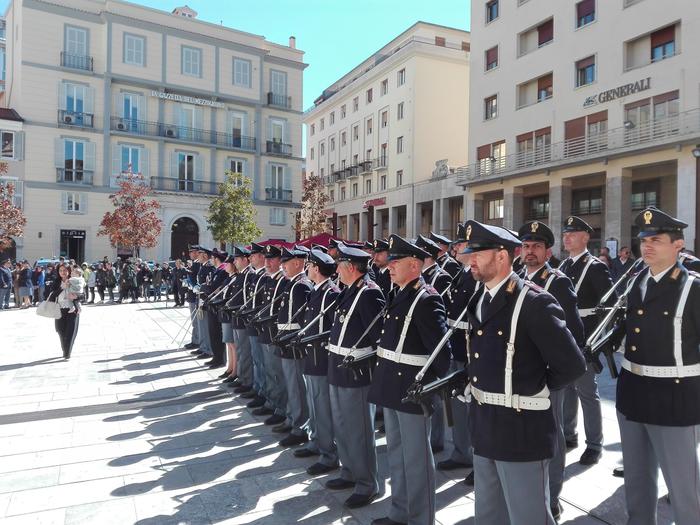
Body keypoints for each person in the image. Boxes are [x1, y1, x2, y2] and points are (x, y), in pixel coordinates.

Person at [463, 220, 586, 525]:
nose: (470, 260)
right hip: (485, 424)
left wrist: (532, 389)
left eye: (477, 253)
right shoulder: (479, 298)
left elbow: (571, 364)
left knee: (528, 516)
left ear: (502, 257)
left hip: (521, 429)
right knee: (488, 515)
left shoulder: (535, 302)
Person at [613, 207, 700, 525]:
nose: (646, 245)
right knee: (636, 481)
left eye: (657, 240)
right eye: (643, 239)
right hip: (634, 393)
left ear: (678, 245)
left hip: (675, 398)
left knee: (684, 488)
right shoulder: (638, 283)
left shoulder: (694, 288)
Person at [368, 234, 451, 525]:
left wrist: (424, 387)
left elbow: (442, 355)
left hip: (410, 389)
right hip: (390, 385)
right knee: (396, 453)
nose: (389, 267)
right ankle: (399, 511)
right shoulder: (400, 293)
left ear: (414, 266)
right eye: (389, 261)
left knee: (416, 460)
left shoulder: (426, 299)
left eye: (396, 262)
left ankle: (420, 518)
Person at [518, 220, 585, 520]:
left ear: (548, 251)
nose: (530, 252)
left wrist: (554, 374)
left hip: (547, 375)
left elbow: (573, 334)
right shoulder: (516, 278)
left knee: (552, 434)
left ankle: (553, 494)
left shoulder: (557, 282)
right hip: (520, 372)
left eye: (536, 247)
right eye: (526, 246)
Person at [325, 242, 384, 509]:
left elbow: (378, 340)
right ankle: (348, 471)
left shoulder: (369, 294)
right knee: (343, 426)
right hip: (337, 366)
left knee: (359, 430)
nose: (335, 268)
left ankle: (367, 483)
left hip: (356, 371)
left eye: (338, 264)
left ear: (350, 267)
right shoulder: (349, 291)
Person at [559, 216, 615, 465]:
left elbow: (610, 305)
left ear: (585, 237)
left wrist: (599, 341)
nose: (567, 237)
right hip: (564, 337)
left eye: (573, 233)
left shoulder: (595, 267)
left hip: (585, 339)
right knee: (567, 389)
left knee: (587, 392)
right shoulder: (564, 267)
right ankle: (569, 434)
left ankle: (594, 444)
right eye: (565, 233)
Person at [438, 223, 479, 485]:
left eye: (461, 245)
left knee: (473, 408)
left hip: (468, 347)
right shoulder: (462, 273)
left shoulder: (475, 276)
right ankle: (461, 452)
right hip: (455, 344)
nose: (456, 248)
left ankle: (476, 458)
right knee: (458, 405)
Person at [295, 248, 341, 475]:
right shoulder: (317, 290)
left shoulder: (331, 293)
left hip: (321, 358)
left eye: (310, 266)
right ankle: (316, 442)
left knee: (323, 407)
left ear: (316, 268)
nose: (307, 269)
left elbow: (333, 330)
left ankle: (329, 453)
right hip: (311, 357)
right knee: (315, 405)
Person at [275, 247, 314, 448]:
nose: (282, 266)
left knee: (297, 386)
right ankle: (292, 419)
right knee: (291, 384)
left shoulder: (301, 285)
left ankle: (300, 426)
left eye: (286, 262)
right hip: (285, 339)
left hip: (293, 342)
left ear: (298, 263)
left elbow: (302, 319)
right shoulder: (292, 284)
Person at [47, 263, 81, 359]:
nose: (63, 272)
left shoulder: (74, 280)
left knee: (70, 331)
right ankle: (65, 349)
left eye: (65, 270)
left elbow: (83, 295)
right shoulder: (56, 282)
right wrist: (62, 287)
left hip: (72, 309)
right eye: (61, 270)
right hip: (59, 309)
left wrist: (77, 296)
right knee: (60, 331)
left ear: (69, 271)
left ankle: (67, 353)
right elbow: (51, 296)